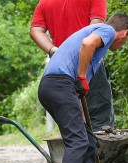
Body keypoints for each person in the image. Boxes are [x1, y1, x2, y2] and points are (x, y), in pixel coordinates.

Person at [37, 13, 128, 163]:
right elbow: (88, 44)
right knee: (78, 140)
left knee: (89, 141)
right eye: (127, 40)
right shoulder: (106, 30)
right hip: (60, 84)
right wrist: (81, 77)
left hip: (55, 86)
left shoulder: (98, 37)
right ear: (124, 33)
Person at [30, 0, 114, 131]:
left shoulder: (45, 2)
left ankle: (79, 146)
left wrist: (53, 50)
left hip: (62, 68)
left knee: (74, 118)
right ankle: (100, 149)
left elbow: (35, 31)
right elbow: (96, 27)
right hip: (88, 62)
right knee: (100, 118)